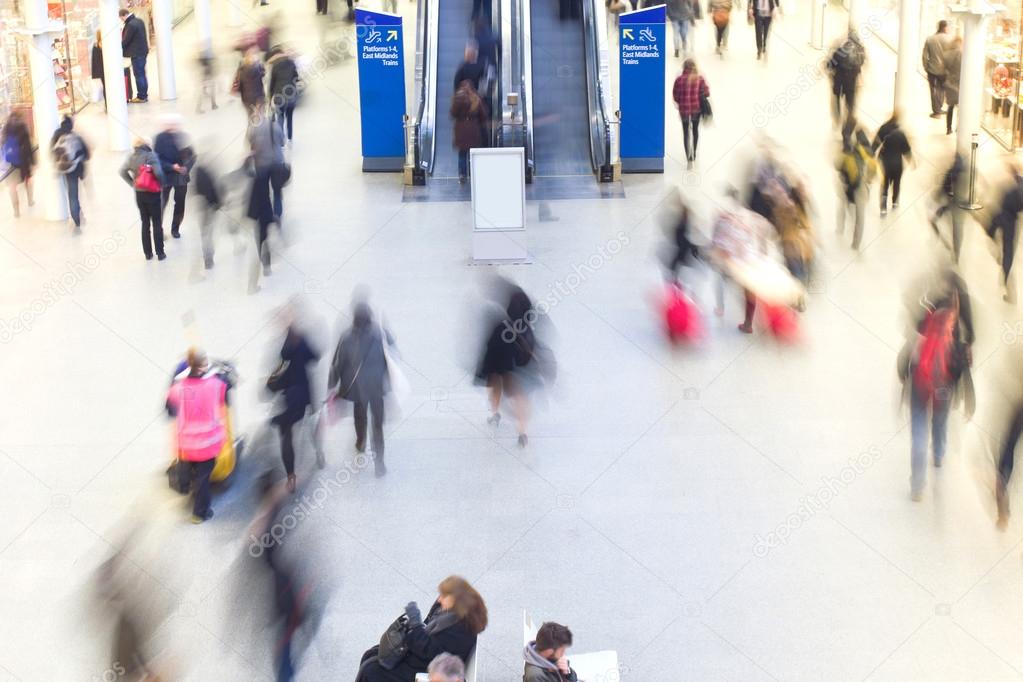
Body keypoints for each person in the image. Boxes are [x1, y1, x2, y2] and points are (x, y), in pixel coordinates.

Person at [898, 266, 974, 502]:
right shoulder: (959, 328)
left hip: (920, 382)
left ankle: (917, 486)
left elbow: (907, 354)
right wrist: (968, 395)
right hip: (944, 385)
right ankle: (939, 452)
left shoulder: (925, 319)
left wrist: (903, 376)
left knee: (919, 430)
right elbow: (964, 364)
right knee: (940, 419)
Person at [355, 576, 487, 682]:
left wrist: (415, 624)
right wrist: (416, 626)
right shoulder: (452, 612)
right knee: (371, 654)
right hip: (427, 658)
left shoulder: (461, 629)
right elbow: (429, 630)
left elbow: (431, 652)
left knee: (371, 670)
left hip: (431, 668)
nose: (440, 599)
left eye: (444, 596)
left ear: (457, 599)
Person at [328, 300, 394, 477]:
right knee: (377, 425)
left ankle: (360, 442)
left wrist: (331, 385)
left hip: (357, 388)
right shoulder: (379, 332)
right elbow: (392, 349)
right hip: (377, 387)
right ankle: (379, 463)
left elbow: (338, 363)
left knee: (360, 416)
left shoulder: (347, 336)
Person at [166, 348, 228, 523]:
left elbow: (170, 407)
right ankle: (199, 513)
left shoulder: (179, 388)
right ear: (203, 365)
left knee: (187, 461)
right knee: (203, 476)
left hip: (186, 443)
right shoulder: (215, 385)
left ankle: (183, 484)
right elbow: (223, 397)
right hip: (208, 444)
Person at [476, 283, 542, 445]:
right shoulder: (528, 332)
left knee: (496, 385)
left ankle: (495, 413)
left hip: (501, 368)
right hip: (519, 371)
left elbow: (490, 352)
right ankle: (522, 432)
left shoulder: (500, 328)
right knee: (520, 398)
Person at [268, 319, 320, 493]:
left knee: (286, 437)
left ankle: (291, 477)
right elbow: (316, 357)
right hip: (305, 396)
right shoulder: (304, 346)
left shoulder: (284, 356)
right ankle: (319, 453)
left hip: (289, 401)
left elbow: (274, 383)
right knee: (312, 424)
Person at [247, 115, 287, 275]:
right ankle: (277, 216)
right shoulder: (276, 125)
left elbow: (250, 144)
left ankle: (266, 210)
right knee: (277, 192)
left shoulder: (253, 127)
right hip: (276, 162)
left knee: (263, 191)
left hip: (261, 165)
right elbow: (282, 142)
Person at [120, 137, 167, 260]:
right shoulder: (150, 156)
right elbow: (159, 173)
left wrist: (133, 183)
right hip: (152, 193)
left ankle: (148, 253)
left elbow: (122, 171)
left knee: (145, 223)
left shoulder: (131, 157)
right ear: (146, 145)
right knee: (157, 222)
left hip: (139, 194)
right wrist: (162, 184)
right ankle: (160, 253)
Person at [836, 119, 876, 250]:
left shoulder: (846, 148)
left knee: (842, 204)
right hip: (860, 186)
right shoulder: (865, 149)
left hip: (847, 185)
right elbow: (872, 167)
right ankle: (856, 244)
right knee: (860, 216)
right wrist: (869, 180)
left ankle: (840, 228)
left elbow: (838, 166)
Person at [986, 161, 1023, 303]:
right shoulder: (1020, 185)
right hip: (1009, 219)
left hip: (1004, 217)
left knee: (1006, 250)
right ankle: (1001, 261)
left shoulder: (1016, 189)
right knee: (1007, 250)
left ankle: (1008, 284)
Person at [154, 114, 195, 240]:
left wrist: (186, 168)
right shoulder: (160, 138)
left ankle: (175, 229)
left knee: (180, 204)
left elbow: (193, 156)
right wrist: (172, 167)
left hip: (181, 177)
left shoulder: (184, 137)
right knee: (162, 203)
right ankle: (158, 229)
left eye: (174, 123)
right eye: (169, 123)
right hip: (166, 176)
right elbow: (157, 159)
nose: (172, 126)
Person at [50, 115, 90, 234]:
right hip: (74, 169)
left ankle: (77, 213)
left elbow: (51, 152)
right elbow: (87, 154)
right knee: (73, 195)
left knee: (69, 193)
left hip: (62, 169)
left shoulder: (56, 136)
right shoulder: (75, 137)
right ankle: (77, 219)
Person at [873, 111, 913, 217]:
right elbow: (906, 150)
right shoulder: (900, 133)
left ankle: (883, 208)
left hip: (886, 163)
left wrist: (870, 154)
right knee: (896, 183)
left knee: (885, 184)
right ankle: (894, 202)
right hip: (897, 163)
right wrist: (911, 161)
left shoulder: (884, 129)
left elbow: (875, 143)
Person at [672, 59, 709, 169]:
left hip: (684, 110)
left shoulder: (679, 80)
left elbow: (675, 95)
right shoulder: (699, 78)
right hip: (696, 110)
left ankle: (688, 156)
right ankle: (694, 154)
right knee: (695, 131)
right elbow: (707, 92)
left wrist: (681, 102)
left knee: (686, 133)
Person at [451, 80, 488, 183]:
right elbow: (483, 115)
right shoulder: (476, 98)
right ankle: (474, 174)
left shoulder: (458, 98)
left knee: (462, 154)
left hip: (461, 128)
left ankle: (462, 175)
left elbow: (453, 113)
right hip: (473, 128)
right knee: (474, 153)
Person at [827, 30, 864, 128]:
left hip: (839, 82)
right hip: (851, 84)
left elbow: (830, 64)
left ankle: (838, 118)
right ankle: (848, 121)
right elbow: (860, 65)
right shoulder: (859, 53)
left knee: (837, 100)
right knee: (850, 103)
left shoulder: (840, 51)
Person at [2, 111, 35, 218]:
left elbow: (2, 145)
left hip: (10, 163)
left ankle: (16, 211)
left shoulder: (6, 128)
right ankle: (30, 200)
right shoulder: (22, 127)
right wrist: (33, 160)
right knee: (28, 180)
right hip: (23, 160)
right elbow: (28, 146)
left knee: (12, 187)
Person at [268, 46, 301, 143]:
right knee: (289, 117)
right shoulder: (292, 63)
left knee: (280, 118)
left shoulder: (275, 66)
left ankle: (281, 141)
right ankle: (290, 138)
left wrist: (270, 98)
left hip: (279, 97)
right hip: (291, 95)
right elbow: (297, 77)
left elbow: (272, 84)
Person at [193, 160, 222, 269]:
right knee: (209, 232)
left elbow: (195, 189)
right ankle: (209, 256)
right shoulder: (208, 172)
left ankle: (207, 256)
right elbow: (214, 189)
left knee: (205, 232)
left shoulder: (198, 172)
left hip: (202, 205)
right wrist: (217, 203)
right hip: (209, 206)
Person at [119, 8, 149, 103]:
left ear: (123, 15)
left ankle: (141, 96)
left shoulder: (131, 25)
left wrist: (118, 47)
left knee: (139, 75)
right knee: (142, 74)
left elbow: (126, 40)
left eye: (121, 18)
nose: (121, 20)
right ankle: (144, 95)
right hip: (142, 52)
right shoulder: (139, 21)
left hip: (137, 54)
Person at [922, 20, 950, 119]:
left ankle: (936, 110)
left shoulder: (930, 39)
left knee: (934, 90)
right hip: (945, 70)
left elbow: (925, 56)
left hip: (932, 69)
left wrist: (926, 67)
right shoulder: (949, 39)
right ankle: (939, 107)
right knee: (942, 89)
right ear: (945, 27)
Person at [236, 46, 267, 119]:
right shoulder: (259, 67)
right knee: (260, 118)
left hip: (246, 99)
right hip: (259, 98)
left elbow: (240, 86)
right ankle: (259, 129)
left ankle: (251, 129)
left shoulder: (241, 69)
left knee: (250, 119)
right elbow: (264, 75)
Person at [943, 37, 962, 135]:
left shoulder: (946, 55)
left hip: (949, 83)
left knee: (950, 107)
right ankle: (959, 127)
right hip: (960, 83)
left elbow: (943, 69)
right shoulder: (961, 54)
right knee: (961, 106)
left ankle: (948, 128)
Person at [197, 49, 218, 113]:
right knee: (209, 92)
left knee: (205, 93)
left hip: (205, 79)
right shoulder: (207, 65)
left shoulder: (204, 64)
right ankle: (212, 105)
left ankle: (213, 104)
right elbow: (208, 72)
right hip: (208, 79)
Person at [91, 30, 106, 112]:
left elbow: (95, 62)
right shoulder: (105, 45)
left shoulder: (96, 46)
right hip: (106, 71)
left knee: (106, 89)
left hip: (101, 72)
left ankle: (107, 106)